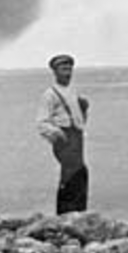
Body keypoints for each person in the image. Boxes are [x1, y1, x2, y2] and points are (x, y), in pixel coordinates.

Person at [36, 54, 91, 214]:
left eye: (69, 68)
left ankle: (79, 211)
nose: (67, 72)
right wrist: (57, 134)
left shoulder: (74, 92)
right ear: (55, 71)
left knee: (80, 173)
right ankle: (66, 213)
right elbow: (41, 122)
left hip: (77, 137)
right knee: (70, 174)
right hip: (65, 138)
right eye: (63, 69)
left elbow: (80, 121)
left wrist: (84, 109)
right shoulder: (50, 94)